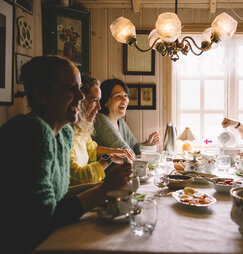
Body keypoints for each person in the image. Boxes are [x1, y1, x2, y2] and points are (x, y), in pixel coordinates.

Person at [0, 56, 133, 253]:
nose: (80, 97)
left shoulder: (64, 133)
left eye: (80, 88)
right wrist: (104, 190)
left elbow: (59, 199)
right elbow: (42, 219)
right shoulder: (30, 131)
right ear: (40, 94)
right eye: (71, 89)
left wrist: (106, 187)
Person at [69, 75, 136, 186]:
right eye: (94, 100)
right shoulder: (66, 133)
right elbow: (77, 177)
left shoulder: (80, 129)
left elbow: (92, 149)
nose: (99, 107)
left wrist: (116, 152)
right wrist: (109, 158)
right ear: (79, 101)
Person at [92, 78, 160, 156]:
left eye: (125, 95)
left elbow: (134, 147)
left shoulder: (120, 121)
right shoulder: (100, 119)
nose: (124, 99)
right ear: (105, 101)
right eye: (118, 96)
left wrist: (148, 143)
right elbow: (125, 151)